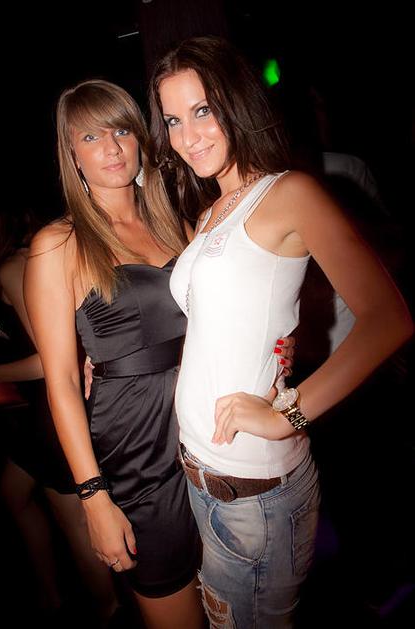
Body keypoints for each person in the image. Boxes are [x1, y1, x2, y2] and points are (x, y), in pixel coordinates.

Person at [148, 35, 413, 628]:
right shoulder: (209, 212)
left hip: (255, 495)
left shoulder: (290, 192)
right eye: (173, 120)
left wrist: (286, 414)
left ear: (235, 103)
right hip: (202, 476)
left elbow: (388, 319)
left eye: (202, 110)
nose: (187, 136)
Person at [23, 77, 296, 628]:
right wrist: (94, 498)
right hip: (137, 455)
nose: (111, 147)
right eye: (91, 137)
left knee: (235, 606)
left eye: (121, 130)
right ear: (71, 154)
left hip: (209, 441)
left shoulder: (175, 223)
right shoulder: (59, 243)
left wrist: (278, 356)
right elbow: (62, 383)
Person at [0, 208, 117, 628]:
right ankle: (51, 594)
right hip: (36, 414)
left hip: (54, 413)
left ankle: (108, 609)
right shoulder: (10, 265)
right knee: (13, 494)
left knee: (76, 520)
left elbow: (52, 362)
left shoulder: (14, 267)